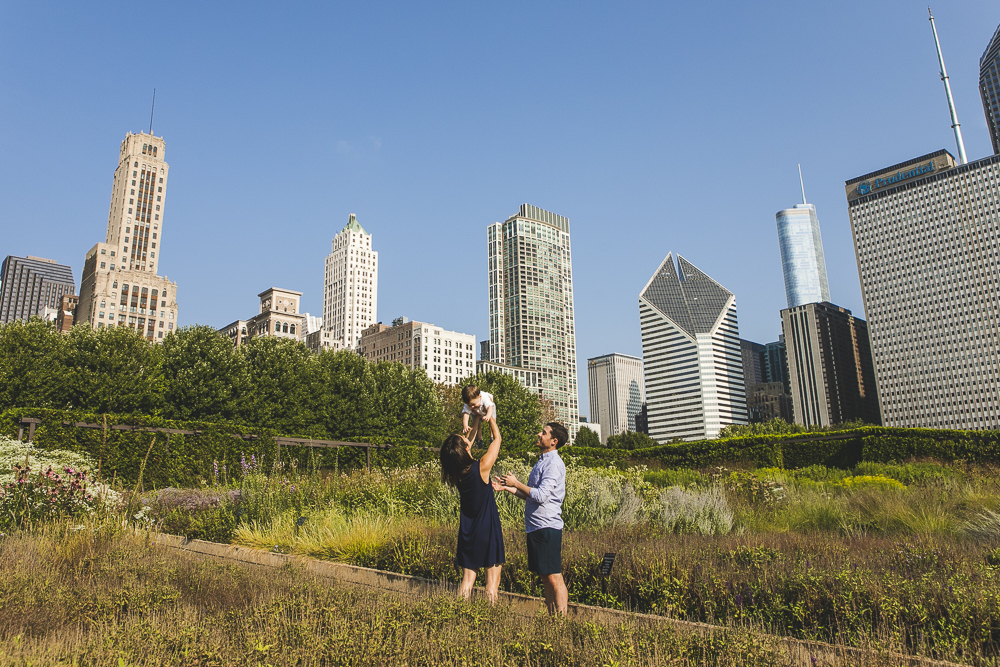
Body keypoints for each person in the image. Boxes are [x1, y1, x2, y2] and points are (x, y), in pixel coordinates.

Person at [493, 422, 568, 615]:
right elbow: (530, 494)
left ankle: (561, 622)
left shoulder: (553, 464)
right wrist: (508, 488)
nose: (539, 434)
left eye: (544, 433)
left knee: (554, 576)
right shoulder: (541, 462)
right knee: (545, 576)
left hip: (547, 528)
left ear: (554, 441)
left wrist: (516, 482)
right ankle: (553, 620)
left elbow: (541, 495)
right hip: (535, 527)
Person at [439, 413, 505, 603]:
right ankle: (489, 621)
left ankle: (461, 614)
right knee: (492, 583)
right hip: (487, 530)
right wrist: (490, 415)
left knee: (467, 580)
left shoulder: (457, 473)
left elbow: (469, 441)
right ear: (465, 449)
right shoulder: (481, 468)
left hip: (468, 531)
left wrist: (476, 419)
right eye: (464, 439)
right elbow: (497, 439)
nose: (466, 438)